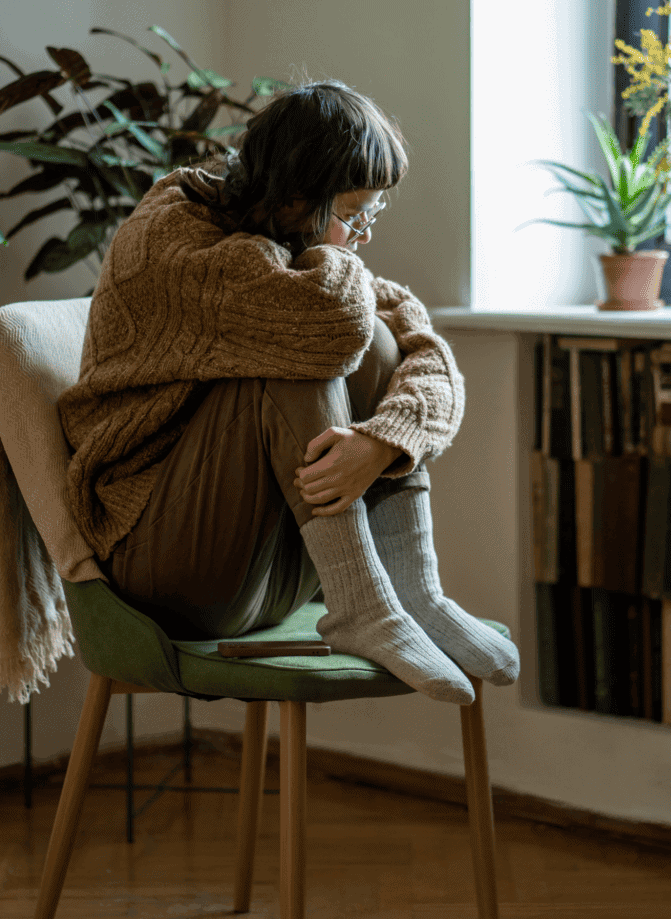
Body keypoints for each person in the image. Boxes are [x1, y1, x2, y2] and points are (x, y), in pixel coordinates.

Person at [57, 77, 519, 705]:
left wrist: (382, 445)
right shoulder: (170, 241)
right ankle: (362, 605)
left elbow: (426, 353)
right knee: (306, 354)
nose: (364, 235)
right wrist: (341, 263)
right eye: (354, 214)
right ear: (299, 197)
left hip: (263, 572)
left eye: (372, 213)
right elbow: (334, 323)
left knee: (381, 348)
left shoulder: (291, 246)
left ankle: (412, 591)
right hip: (160, 564)